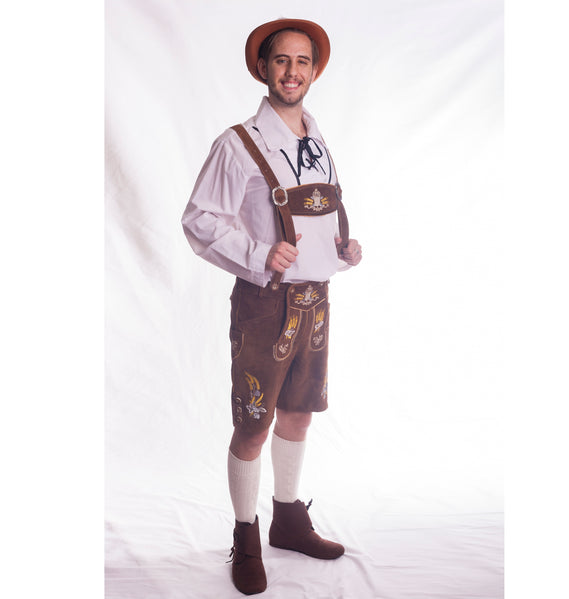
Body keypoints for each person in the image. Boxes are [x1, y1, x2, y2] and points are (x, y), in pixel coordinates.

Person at [182, 18, 362, 595]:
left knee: (299, 415)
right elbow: (199, 220)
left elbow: (316, 217)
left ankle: (287, 520)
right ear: (263, 68)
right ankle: (246, 535)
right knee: (254, 424)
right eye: (282, 60)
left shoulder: (317, 142)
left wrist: (343, 248)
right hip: (263, 303)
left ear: (314, 71)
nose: (292, 71)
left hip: (316, 301)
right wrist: (259, 253)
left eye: (302, 61)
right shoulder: (238, 144)